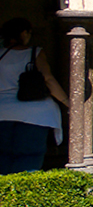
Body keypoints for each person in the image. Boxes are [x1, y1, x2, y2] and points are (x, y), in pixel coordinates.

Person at [0, 17, 69, 174]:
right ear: (24, 33)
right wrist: (68, 103)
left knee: (3, 156)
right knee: (29, 157)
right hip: (34, 114)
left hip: (2, 112)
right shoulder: (34, 52)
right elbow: (48, 79)